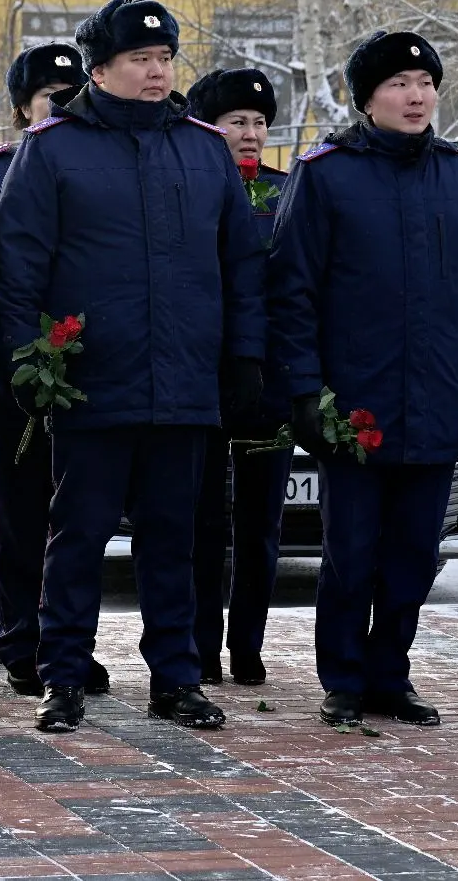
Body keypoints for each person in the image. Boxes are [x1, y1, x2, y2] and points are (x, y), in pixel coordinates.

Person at [0, 0, 265, 735]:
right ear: (100, 70)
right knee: (78, 535)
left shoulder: (204, 149)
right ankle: (62, 675)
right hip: (90, 382)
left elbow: (241, 265)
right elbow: (18, 269)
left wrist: (244, 356)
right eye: (140, 59)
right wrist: (28, 363)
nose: (156, 72)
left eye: (165, 58)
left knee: (173, 540)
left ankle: (176, 679)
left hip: (183, 382)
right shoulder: (52, 149)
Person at [271, 30, 458, 728]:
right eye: (399, 84)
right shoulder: (326, 175)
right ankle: (343, 678)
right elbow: (292, 293)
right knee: (350, 552)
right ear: (367, 98)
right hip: (354, 405)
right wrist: (304, 391)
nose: (416, 96)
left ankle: (390, 675)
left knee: (414, 554)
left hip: (432, 399)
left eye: (426, 83)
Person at [0, 43, 106, 701]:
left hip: (87, 370)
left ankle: (69, 643)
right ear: (21, 109)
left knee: (78, 518)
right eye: (49, 99)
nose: (62, 108)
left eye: (71, 96)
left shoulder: (95, 162)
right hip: (20, 370)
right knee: (20, 513)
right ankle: (19, 639)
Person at [185, 68, 291, 688]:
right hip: (201, 379)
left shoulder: (286, 192)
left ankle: (247, 644)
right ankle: (201, 647)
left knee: (260, 525)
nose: (250, 134)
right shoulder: (191, 189)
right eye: (236, 123)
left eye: (259, 123)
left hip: (266, 384)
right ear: (210, 127)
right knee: (201, 524)